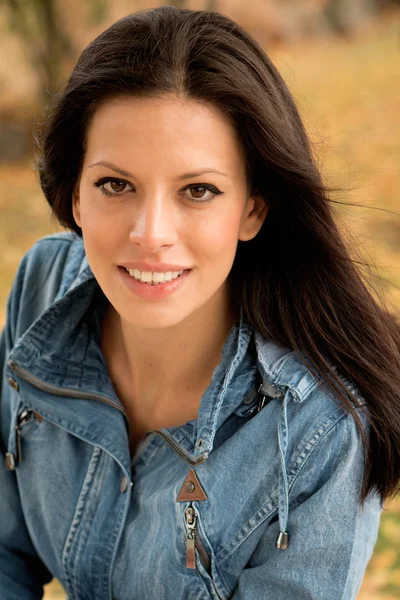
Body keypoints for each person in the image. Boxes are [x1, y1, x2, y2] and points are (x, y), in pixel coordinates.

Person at [1, 5, 399, 599]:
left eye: (198, 190)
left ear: (252, 209)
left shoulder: (322, 430)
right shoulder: (41, 284)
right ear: (74, 197)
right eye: (116, 184)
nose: (151, 233)